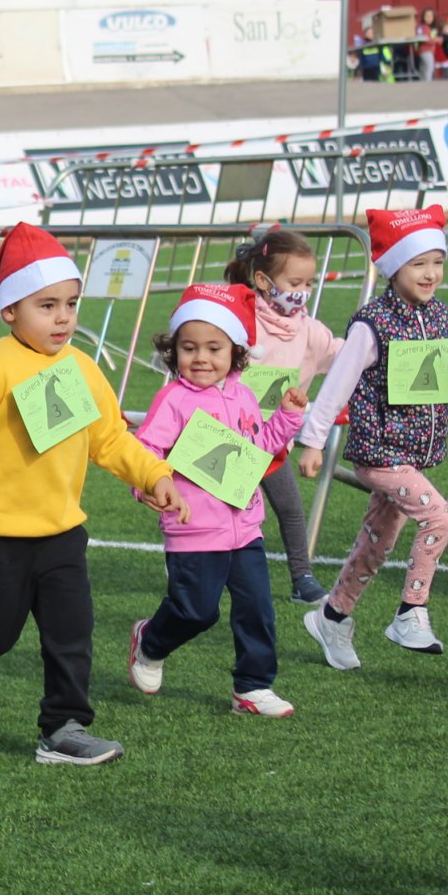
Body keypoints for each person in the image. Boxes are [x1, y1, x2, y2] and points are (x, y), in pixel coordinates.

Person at [0, 222, 188, 766]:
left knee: (71, 632)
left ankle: (63, 728)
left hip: (62, 531)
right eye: (46, 305)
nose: (62, 318)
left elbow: (110, 439)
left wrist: (155, 476)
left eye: (71, 305)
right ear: (10, 311)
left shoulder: (82, 367)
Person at [297, 207, 448, 666]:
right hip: (380, 452)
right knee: (442, 519)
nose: (430, 274)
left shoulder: (443, 317)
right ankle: (411, 612)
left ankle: (332, 616)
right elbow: (337, 385)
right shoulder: (372, 323)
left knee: (376, 544)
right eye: (418, 263)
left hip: (413, 454)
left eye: (437, 263)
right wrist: (313, 440)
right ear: (394, 267)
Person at [127, 284, 306, 717]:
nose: (201, 358)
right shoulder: (173, 399)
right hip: (193, 528)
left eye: (214, 348)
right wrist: (149, 485)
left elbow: (258, 451)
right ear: (174, 352)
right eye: (189, 348)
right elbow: (145, 451)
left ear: (236, 352)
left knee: (257, 609)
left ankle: (253, 686)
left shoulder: (243, 395)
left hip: (245, 528)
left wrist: (287, 416)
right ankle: (150, 642)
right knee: (196, 612)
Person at [226, 227, 340, 602]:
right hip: (230, 440)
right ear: (263, 279)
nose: (302, 290)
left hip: (272, 444)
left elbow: (341, 355)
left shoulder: (308, 329)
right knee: (226, 511)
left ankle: (302, 579)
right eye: (294, 281)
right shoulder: (240, 319)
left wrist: (374, 345)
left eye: (309, 282)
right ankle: (199, 564)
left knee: (290, 510)